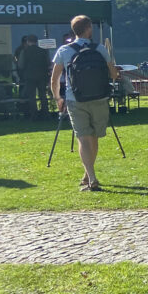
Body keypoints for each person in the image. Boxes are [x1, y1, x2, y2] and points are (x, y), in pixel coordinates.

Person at [49, 15, 118, 192]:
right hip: (99, 98)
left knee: (83, 138)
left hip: (75, 99)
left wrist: (58, 98)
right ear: (88, 29)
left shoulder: (64, 50)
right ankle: (90, 174)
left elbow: (55, 79)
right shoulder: (100, 48)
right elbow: (113, 75)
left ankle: (90, 176)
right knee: (93, 137)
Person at [18, 35, 51, 119]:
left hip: (29, 77)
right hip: (42, 76)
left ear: (28, 41)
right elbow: (48, 63)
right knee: (43, 96)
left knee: (31, 97)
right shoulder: (43, 51)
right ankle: (46, 115)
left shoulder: (24, 51)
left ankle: (34, 116)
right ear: (36, 41)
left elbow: (21, 65)